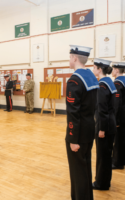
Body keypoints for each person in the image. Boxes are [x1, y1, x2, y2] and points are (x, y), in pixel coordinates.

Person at [66, 45, 99, 200]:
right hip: (89, 128)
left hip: (78, 134)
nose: (69, 59)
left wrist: (73, 139)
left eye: (70, 56)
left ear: (74, 58)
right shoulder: (91, 76)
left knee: (78, 171)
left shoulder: (75, 80)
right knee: (85, 167)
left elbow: (73, 113)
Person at [92, 58, 117, 190]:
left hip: (104, 126)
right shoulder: (109, 82)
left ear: (99, 69)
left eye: (94, 67)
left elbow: (102, 109)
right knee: (107, 156)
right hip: (111, 124)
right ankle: (105, 182)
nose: (93, 69)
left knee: (102, 156)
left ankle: (100, 183)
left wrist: (101, 129)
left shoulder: (102, 85)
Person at [112, 62, 125, 169]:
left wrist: (116, 121)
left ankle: (117, 162)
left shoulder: (117, 83)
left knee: (118, 140)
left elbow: (117, 104)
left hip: (121, 117)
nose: (112, 71)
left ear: (117, 70)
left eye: (113, 69)